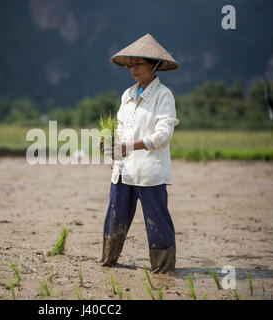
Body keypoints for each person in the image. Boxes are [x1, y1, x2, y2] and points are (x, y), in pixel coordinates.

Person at [100, 33, 180, 274]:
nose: (133, 69)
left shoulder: (163, 95)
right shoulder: (127, 95)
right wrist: (111, 146)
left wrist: (129, 146)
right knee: (115, 219)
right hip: (123, 171)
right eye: (130, 65)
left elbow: (163, 135)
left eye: (138, 64)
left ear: (154, 65)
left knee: (157, 222)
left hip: (150, 173)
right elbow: (121, 131)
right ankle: (108, 263)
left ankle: (163, 270)